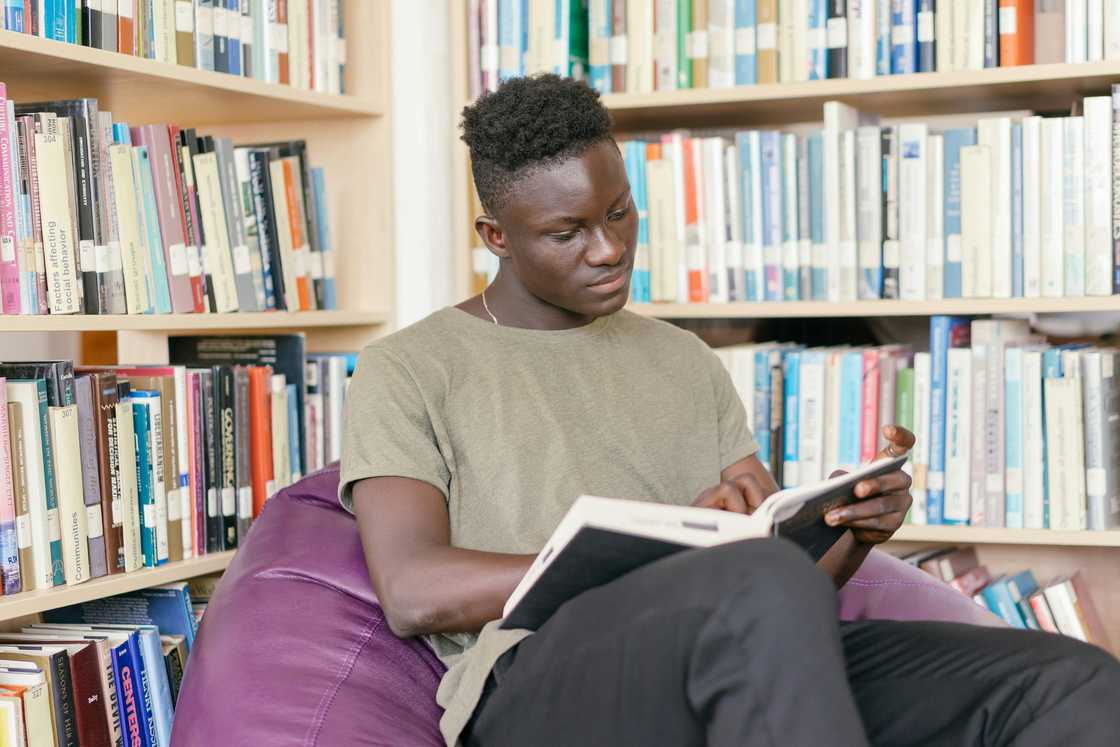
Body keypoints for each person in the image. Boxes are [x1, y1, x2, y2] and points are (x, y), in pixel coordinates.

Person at [339, 75, 1120, 746]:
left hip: (751, 638)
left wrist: (850, 528)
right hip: (537, 678)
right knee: (746, 583)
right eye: (566, 232)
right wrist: (668, 559)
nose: (608, 249)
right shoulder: (409, 367)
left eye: (619, 213)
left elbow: (787, 579)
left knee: (1067, 681)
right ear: (496, 236)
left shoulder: (682, 358)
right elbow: (414, 589)